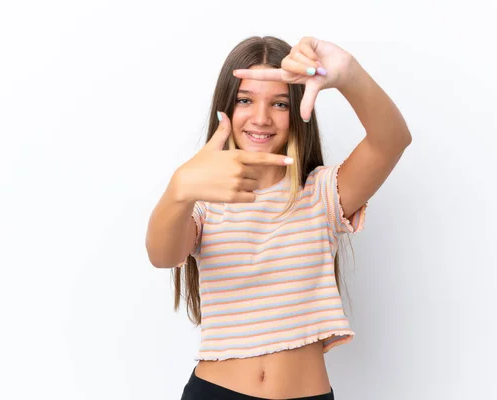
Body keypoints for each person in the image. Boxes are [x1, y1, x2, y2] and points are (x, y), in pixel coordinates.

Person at [145, 35, 412, 400]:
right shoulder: (204, 202)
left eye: (280, 103)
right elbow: (162, 255)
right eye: (244, 100)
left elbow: (392, 140)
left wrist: (349, 73)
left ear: (298, 112)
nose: (260, 118)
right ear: (225, 108)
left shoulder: (323, 194)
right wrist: (180, 187)